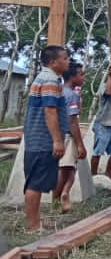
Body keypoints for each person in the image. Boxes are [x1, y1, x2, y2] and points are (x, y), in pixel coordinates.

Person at [23, 46, 70, 232]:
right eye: (65, 58)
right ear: (53, 62)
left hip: (37, 139)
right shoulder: (50, 79)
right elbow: (50, 112)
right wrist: (57, 141)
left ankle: (35, 221)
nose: (68, 61)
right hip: (43, 140)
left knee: (36, 181)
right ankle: (33, 226)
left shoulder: (46, 78)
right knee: (36, 183)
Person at [54, 61, 87, 213]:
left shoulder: (59, 91)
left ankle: (57, 198)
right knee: (69, 169)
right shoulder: (72, 95)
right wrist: (80, 144)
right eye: (81, 74)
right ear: (73, 77)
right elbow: (73, 121)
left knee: (62, 168)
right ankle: (63, 194)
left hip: (57, 134)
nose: (83, 77)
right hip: (68, 136)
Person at [90, 63, 111, 178]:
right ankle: (94, 176)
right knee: (98, 152)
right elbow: (109, 92)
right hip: (103, 124)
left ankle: (108, 173)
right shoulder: (104, 86)